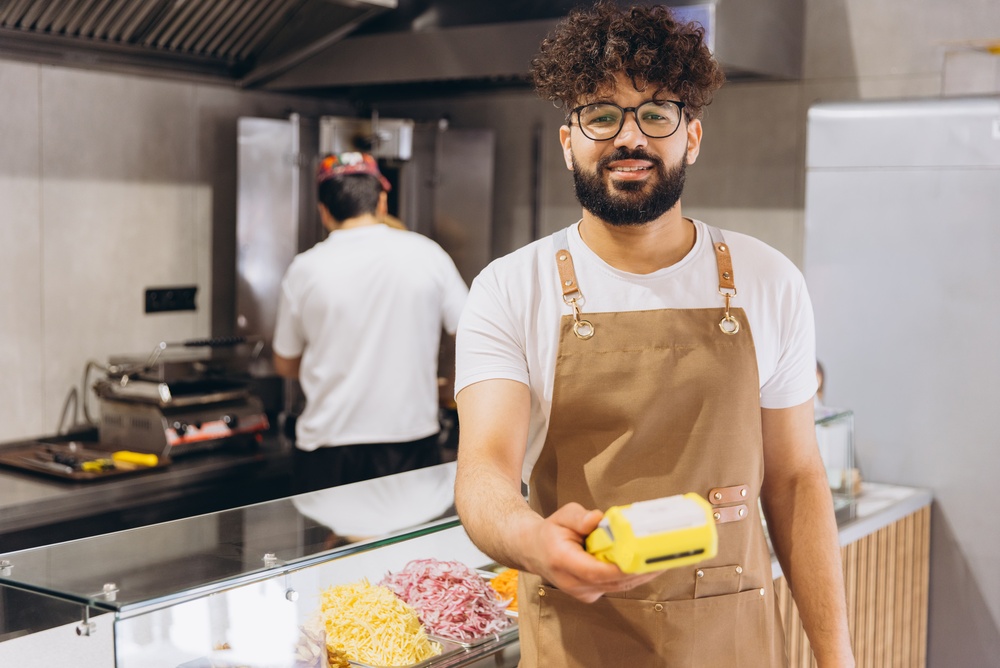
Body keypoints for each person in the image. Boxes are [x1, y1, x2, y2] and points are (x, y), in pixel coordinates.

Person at [453, 3, 854, 667]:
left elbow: (795, 480)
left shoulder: (766, 280)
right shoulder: (510, 287)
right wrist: (532, 540)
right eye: (601, 114)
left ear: (691, 137)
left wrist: (836, 658)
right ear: (569, 141)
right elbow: (484, 475)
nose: (628, 137)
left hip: (734, 644)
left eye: (657, 113)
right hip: (577, 643)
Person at [273, 152, 469, 493]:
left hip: (327, 447)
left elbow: (285, 362)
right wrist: (447, 383)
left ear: (324, 210)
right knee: (409, 546)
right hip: (409, 441)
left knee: (330, 546)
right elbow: (474, 335)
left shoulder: (305, 268)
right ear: (382, 201)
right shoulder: (428, 255)